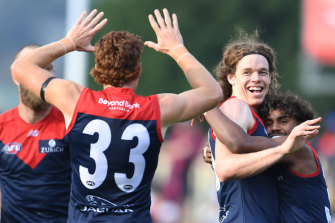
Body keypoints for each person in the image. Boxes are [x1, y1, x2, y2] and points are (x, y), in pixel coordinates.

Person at [11, 8, 223, 222]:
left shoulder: (75, 100)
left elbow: (21, 66)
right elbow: (213, 92)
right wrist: (178, 49)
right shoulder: (158, 108)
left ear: (97, 67)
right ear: (139, 69)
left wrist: (69, 42)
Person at [201, 32, 321, 222]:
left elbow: (242, 148)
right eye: (247, 72)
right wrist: (206, 106)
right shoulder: (236, 107)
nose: (256, 78)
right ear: (231, 77)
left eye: (262, 72)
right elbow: (228, 167)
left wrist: (207, 106)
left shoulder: (284, 141)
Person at [0, 44, 71, 222]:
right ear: (16, 75)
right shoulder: (2, 128)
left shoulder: (71, 125)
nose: (36, 78)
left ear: (52, 75)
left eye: (43, 69)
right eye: (29, 69)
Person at [257, 91, 331, 223]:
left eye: (283, 121)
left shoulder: (297, 149)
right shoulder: (274, 155)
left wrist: (211, 109)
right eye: (268, 123)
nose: (275, 128)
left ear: (301, 125)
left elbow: (242, 145)